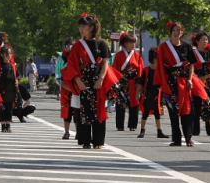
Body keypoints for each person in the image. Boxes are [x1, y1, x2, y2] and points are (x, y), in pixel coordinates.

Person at [63, 13, 120, 149]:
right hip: (83, 80)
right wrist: (77, 80)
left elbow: (106, 63)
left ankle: (98, 141)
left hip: (98, 79)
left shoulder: (102, 44)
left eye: (85, 26)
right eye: (80, 26)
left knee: (100, 107)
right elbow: (72, 65)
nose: (82, 29)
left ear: (92, 27)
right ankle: (86, 140)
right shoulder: (77, 46)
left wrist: (101, 78)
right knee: (84, 110)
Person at [156, 21, 209, 147]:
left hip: (184, 82)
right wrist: (163, 84)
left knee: (187, 111)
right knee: (173, 112)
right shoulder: (163, 47)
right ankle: (176, 139)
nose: (177, 32)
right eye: (174, 30)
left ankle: (188, 137)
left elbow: (191, 65)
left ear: (182, 32)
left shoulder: (187, 46)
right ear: (171, 32)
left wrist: (190, 79)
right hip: (170, 82)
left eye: (179, 30)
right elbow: (161, 67)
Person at [113, 32, 144, 132]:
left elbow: (140, 69)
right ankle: (120, 125)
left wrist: (140, 83)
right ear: (125, 43)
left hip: (133, 83)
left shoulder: (137, 55)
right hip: (122, 82)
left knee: (134, 103)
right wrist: (116, 83)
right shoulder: (119, 55)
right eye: (131, 42)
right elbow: (115, 69)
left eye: (134, 42)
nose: (134, 44)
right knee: (120, 103)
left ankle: (132, 125)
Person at [136, 47, 168, 139]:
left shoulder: (161, 70)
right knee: (145, 112)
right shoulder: (146, 70)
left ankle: (159, 131)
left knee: (157, 112)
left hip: (158, 93)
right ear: (153, 58)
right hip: (148, 92)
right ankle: (142, 130)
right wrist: (138, 93)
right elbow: (141, 82)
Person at [190, 31, 210, 136]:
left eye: (206, 39)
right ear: (197, 41)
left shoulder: (209, 53)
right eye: (203, 40)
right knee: (196, 107)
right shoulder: (193, 53)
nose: (205, 42)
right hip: (197, 82)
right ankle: (195, 129)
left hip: (208, 82)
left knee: (209, 105)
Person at [55, 39, 74, 139]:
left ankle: (79, 132)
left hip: (76, 86)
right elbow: (57, 76)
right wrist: (65, 86)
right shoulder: (61, 58)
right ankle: (66, 132)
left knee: (78, 110)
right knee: (66, 110)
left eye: (71, 45)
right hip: (65, 88)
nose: (70, 47)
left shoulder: (76, 57)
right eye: (68, 45)